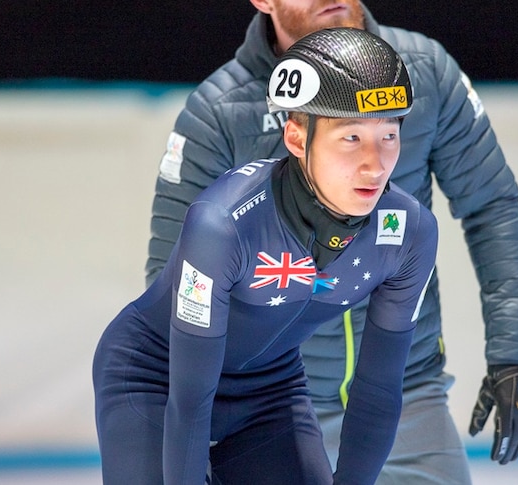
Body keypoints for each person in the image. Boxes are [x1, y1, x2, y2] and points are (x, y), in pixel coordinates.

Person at [147, 1, 518, 482]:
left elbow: (490, 206)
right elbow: (174, 280)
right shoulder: (220, 110)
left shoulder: (426, 71)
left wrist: (513, 358)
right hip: (267, 409)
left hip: (407, 397)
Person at [94, 27, 437, 485]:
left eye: (389, 136)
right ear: (296, 139)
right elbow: (190, 398)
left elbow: (377, 391)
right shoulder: (222, 225)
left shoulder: (409, 232)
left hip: (269, 391)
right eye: (351, 138)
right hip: (158, 376)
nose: (374, 164)